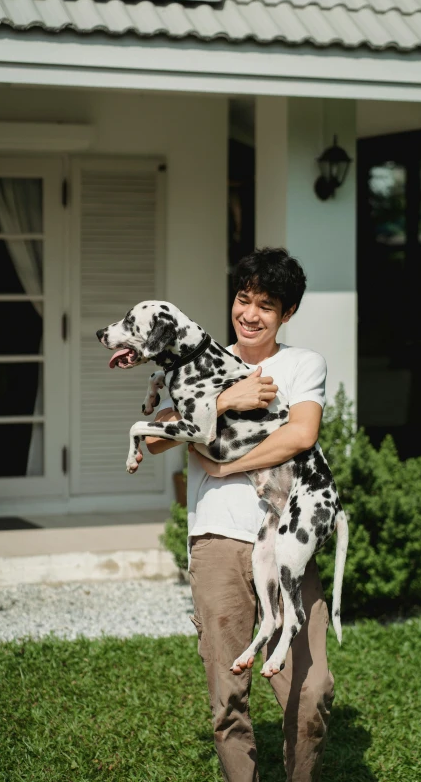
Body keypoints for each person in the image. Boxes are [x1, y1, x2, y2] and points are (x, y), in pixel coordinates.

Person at [145, 248, 334, 782]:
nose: (250, 314)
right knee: (228, 698)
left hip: (286, 539)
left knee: (311, 690)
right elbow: (157, 438)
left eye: (266, 306)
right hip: (216, 544)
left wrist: (227, 468)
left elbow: (301, 434)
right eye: (242, 299)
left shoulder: (302, 364)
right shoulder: (201, 363)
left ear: (287, 314)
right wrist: (229, 398)